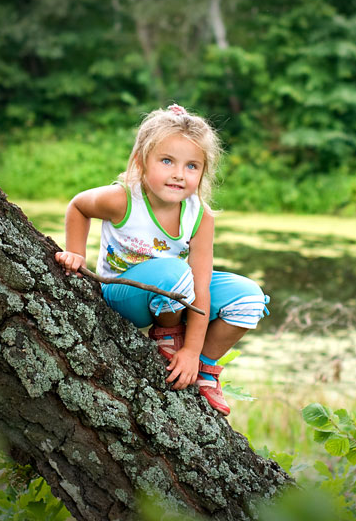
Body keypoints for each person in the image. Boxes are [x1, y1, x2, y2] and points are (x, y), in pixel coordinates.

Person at [54, 104, 269, 415]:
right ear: (141, 162)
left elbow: (201, 285)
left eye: (192, 166)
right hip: (124, 296)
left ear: (203, 172)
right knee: (176, 273)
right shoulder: (123, 199)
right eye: (167, 161)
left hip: (177, 290)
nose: (179, 174)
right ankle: (167, 337)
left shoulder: (200, 216)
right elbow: (78, 206)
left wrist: (193, 350)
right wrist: (76, 252)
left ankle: (204, 368)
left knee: (249, 298)